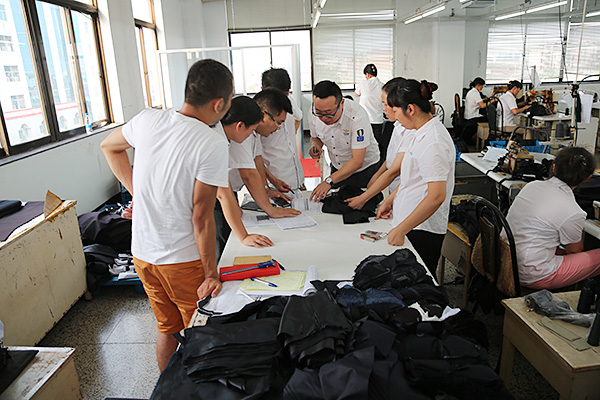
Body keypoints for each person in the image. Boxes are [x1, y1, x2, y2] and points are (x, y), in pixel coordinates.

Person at [100, 59, 233, 371]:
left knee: (167, 329)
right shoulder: (211, 142)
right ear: (218, 104)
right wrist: (211, 273)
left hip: (143, 255)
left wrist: (138, 192)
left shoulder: (148, 119)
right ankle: (192, 390)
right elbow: (201, 217)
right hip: (181, 259)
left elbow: (109, 147)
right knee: (198, 333)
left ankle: (165, 388)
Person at [376, 79, 455, 275]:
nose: (394, 115)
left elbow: (436, 196)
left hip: (423, 229)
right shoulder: (420, 132)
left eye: (396, 110)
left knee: (418, 282)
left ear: (410, 109)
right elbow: (412, 179)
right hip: (411, 222)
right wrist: (390, 199)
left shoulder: (433, 142)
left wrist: (402, 229)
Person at [506, 147, 600, 289]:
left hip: (506, 259)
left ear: (554, 167)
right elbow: (574, 251)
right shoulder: (573, 211)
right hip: (530, 273)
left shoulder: (532, 186)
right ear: (588, 177)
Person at [213, 96, 274, 259]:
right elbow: (222, 193)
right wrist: (244, 236)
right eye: (251, 130)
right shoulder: (215, 142)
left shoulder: (219, 134)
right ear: (239, 126)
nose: (250, 136)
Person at [228, 88, 301, 218]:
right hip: (219, 191)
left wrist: (267, 188)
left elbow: (257, 160)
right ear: (264, 115)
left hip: (229, 190)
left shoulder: (256, 132)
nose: (278, 128)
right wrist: (271, 210)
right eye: (278, 122)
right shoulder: (243, 131)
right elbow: (248, 175)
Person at [345, 77, 414, 210]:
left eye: (386, 105)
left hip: (408, 198)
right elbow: (391, 159)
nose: (383, 109)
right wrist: (376, 176)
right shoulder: (398, 125)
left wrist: (365, 198)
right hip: (397, 194)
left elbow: (395, 171)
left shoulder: (413, 132)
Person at [309, 80, 380, 201]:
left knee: (363, 205)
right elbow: (315, 138)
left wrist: (328, 181)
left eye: (329, 113)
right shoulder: (314, 112)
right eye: (319, 113)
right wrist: (315, 146)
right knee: (335, 204)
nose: (324, 118)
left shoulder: (357, 116)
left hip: (364, 171)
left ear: (341, 103)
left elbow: (357, 161)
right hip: (337, 168)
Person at [259, 68, 305, 192]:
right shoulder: (257, 114)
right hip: (275, 181)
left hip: (297, 175)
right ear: (263, 90)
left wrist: (290, 136)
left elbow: (298, 117)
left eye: (285, 95)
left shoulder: (288, 100)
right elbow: (255, 157)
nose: (281, 100)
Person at [355, 64, 386, 159]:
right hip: (378, 120)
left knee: (365, 143)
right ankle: (376, 161)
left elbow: (356, 94)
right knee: (376, 143)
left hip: (365, 119)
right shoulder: (382, 85)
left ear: (367, 74)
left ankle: (365, 160)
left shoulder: (363, 83)